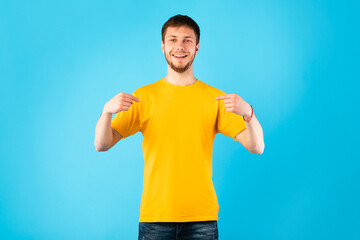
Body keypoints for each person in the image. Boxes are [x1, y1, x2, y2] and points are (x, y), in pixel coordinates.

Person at [94, 14, 265, 240]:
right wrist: (106, 112)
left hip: (202, 220)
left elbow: (257, 147)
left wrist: (248, 113)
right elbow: (102, 144)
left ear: (196, 48)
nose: (180, 46)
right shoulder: (143, 97)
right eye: (173, 39)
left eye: (187, 40)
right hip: (155, 218)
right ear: (163, 46)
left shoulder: (215, 98)